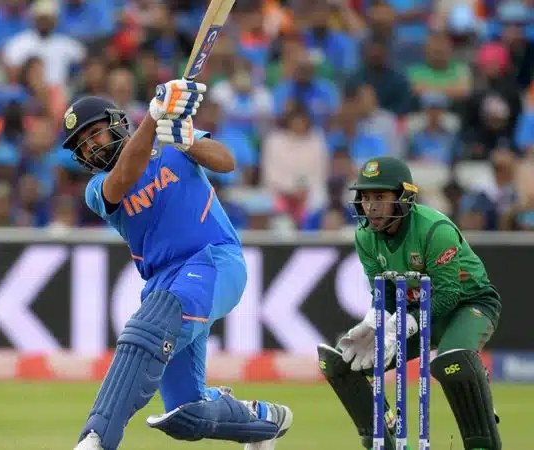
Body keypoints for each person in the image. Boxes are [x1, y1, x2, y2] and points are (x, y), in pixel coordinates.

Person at [65, 80, 293, 450]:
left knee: (146, 330)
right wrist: (153, 118)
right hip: (165, 283)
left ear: (116, 122)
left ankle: (96, 438)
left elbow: (226, 161)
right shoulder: (97, 188)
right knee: (186, 413)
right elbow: (125, 176)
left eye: (94, 133)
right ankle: (263, 420)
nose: (91, 146)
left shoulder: (171, 141)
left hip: (214, 259)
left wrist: (186, 139)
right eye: (82, 144)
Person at [317, 156, 502, 449]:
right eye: (365, 197)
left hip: (468, 305)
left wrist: (402, 325)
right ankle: (384, 437)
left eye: (380, 197)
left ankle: (482, 435)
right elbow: (385, 293)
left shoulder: (434, 230)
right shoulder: (365, 236)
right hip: (416, 310)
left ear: (403, 197)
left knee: (453, 362)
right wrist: (374, 322)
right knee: (346, 362)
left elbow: (448, 295)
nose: (370, 206)